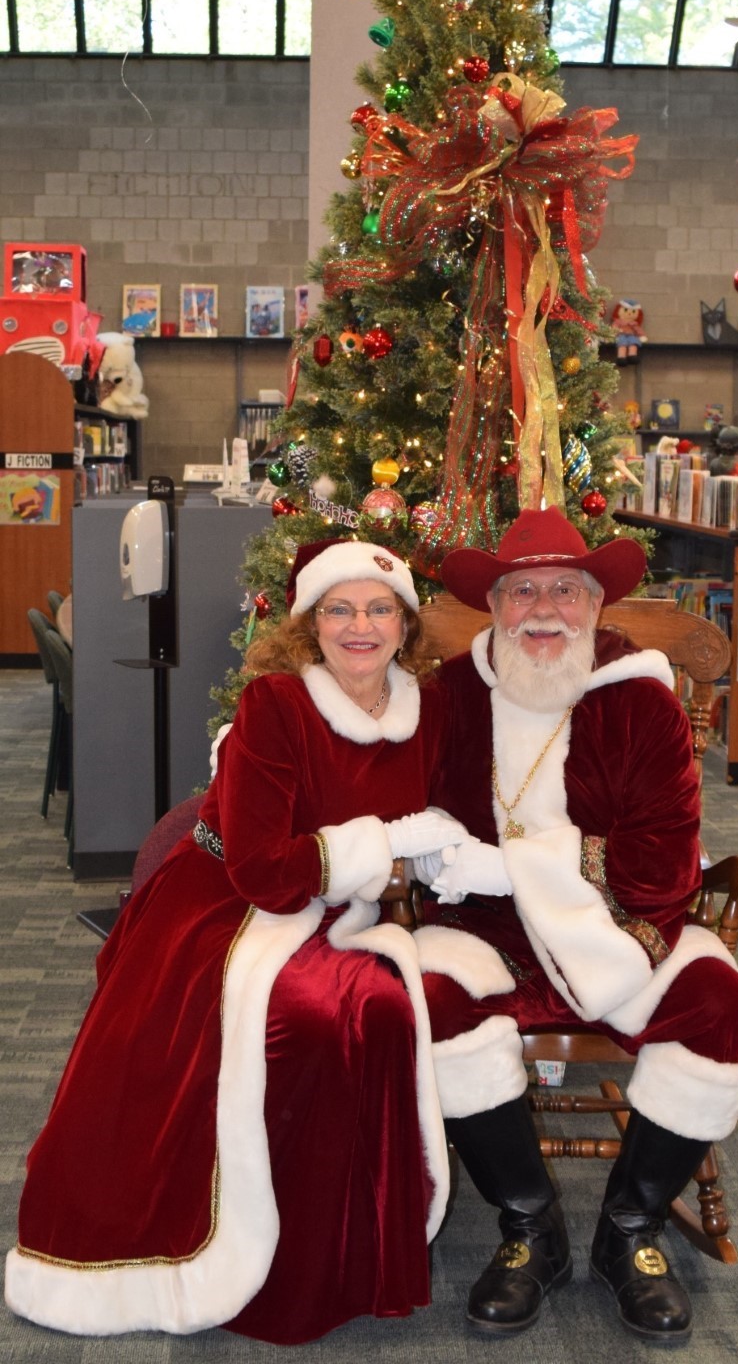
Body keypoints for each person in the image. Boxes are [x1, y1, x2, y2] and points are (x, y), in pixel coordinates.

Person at [5, 539, 478, 1344]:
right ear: (308, 625)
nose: (359, 627)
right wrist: (384, 842)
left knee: (378, 1012)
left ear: (405, 624)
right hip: (224, 911)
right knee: (312, 1019)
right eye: (339, 609)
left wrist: (450, 853)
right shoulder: (276, 706)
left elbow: (437, 823)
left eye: (378, 609)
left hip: (334, 913)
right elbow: (262, 871)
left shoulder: (426, 711)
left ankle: (341, 1251)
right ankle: (253, 1260)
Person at [420, 507, 738, 1343]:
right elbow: (410, 814)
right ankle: (532, 1228)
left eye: (565, 590)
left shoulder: (640, 699)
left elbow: (660, 867)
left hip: (623, 927)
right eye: (524, 590)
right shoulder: (451, 695)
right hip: (486, 933)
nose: (545, 609)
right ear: (495, 605)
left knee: (722, 1012)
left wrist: (507, 865)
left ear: (596, 604)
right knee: (428, 1002)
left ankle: (630, 1231)